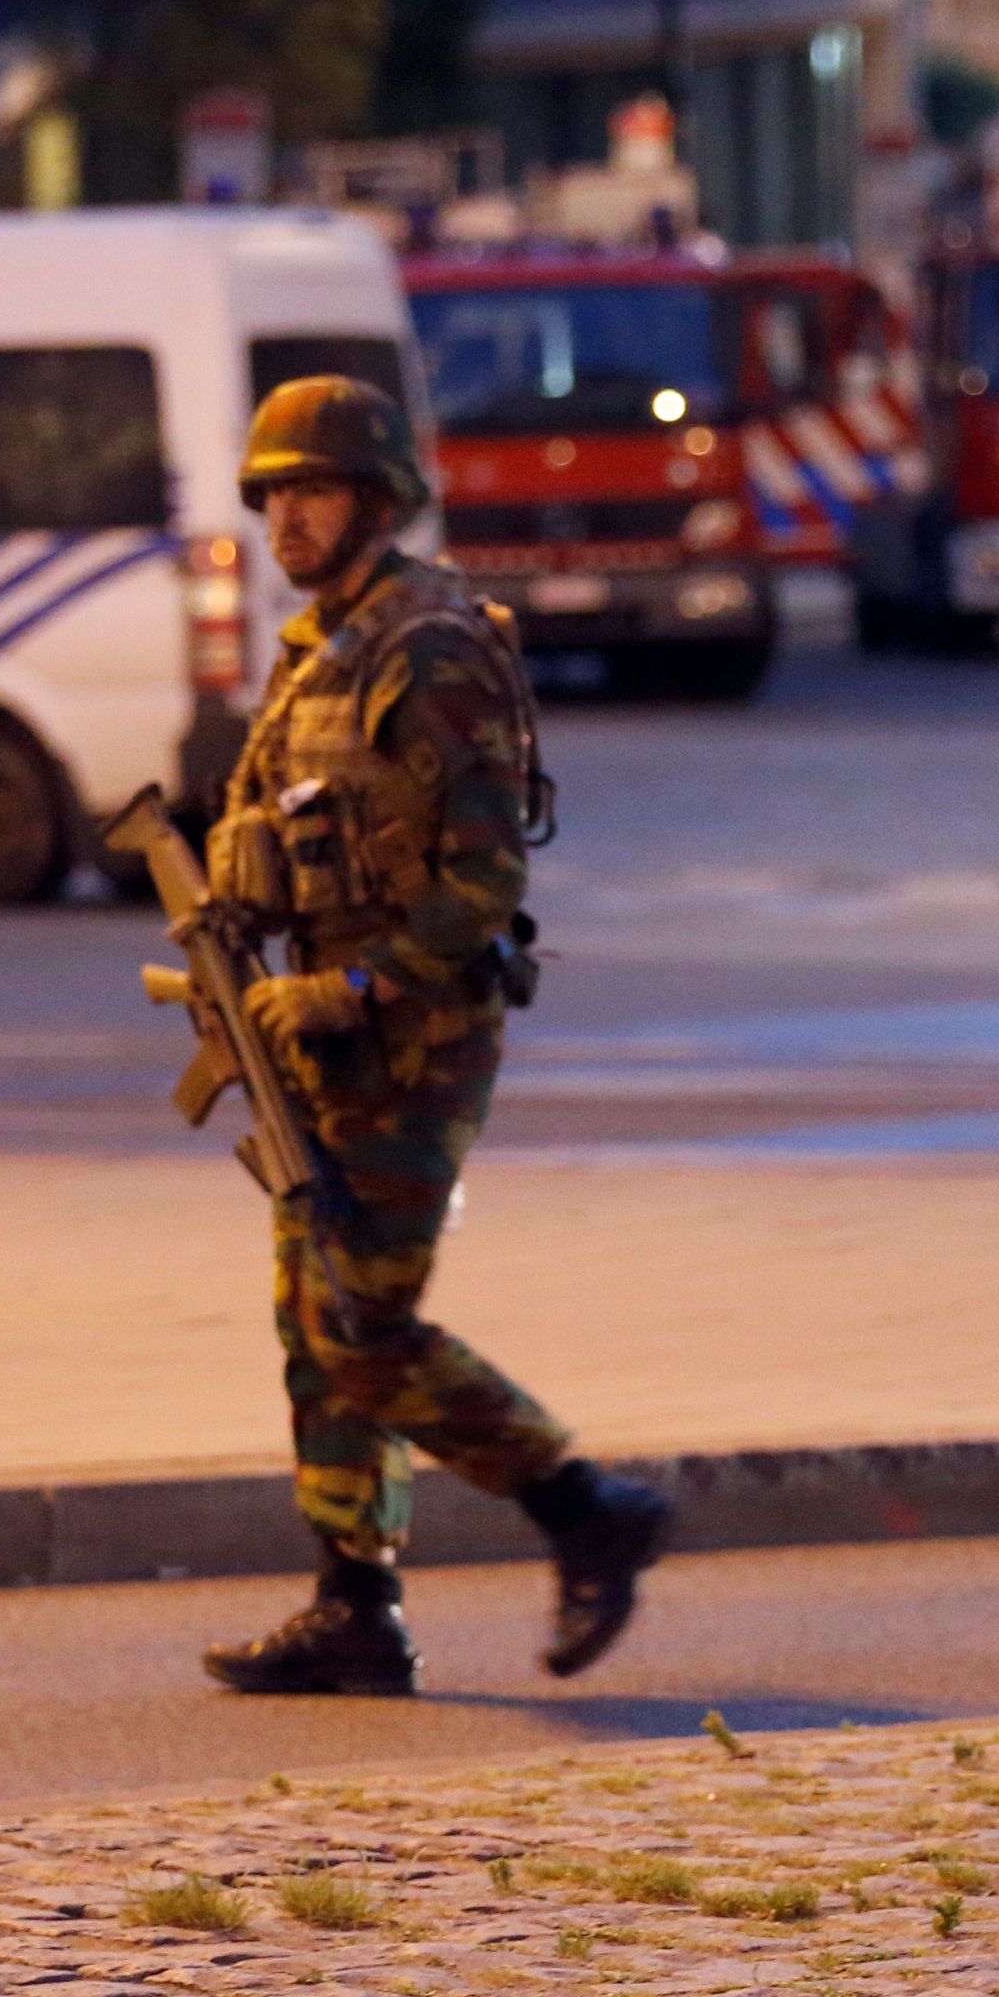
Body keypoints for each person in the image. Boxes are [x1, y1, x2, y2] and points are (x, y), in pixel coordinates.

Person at [194, 376, 670, 1697]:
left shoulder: (431, 644)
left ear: (378, 498)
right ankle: (355, 1605)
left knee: (358, 1322)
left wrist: (358, 988)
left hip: (414, 1039)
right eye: (273, 494)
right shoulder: (317, 649)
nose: (287, 517)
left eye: (312, 489)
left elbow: (484, 881)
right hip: (314, 1038)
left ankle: (585, 1504)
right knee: (312, 1323)